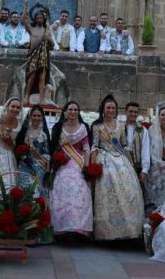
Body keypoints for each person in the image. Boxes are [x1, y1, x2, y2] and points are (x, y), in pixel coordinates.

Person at [90, 95, 144, 240]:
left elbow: (124, 145)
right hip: (104, 158)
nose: (111, 110)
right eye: (108, 107)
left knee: (128, 188)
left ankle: (127, 230)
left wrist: (131, 165)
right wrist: (92, 166)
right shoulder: (97, 126)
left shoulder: (120, 125)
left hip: (120, 158)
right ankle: (108, 231)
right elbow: (94, 146)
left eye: (113, 108)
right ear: (103, 109)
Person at [49, 101, 93, 239]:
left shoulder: (83, 128)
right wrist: (56, 159)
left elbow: (86, 148)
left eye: (75, 109)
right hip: (62, 164)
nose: (73, 112)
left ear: (78, 111)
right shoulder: (58, 127)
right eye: (70, 109)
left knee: (80, 188)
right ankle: (61, 228)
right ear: (66, 111)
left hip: (78, 162)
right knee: (61, 186)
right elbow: (55, 148)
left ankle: (79, 228)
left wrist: (86, 167)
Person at [22, 2, 55, 104]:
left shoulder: (47, 30)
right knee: (32, 76)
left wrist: (48, 39)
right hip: (33, 55)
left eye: (41, 18)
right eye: (38, 18)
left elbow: (52, 45)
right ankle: (27, 97)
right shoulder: (31, 29)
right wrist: (25, 8)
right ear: (35, 19)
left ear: (44, 19)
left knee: (42, 77)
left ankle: (41, 99)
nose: (40, 19)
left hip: (43, 56)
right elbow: (23, 20)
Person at [15, 104, 51, 188]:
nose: (36, 118)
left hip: (39, 167)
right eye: (34, 115)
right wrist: (24, 158)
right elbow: (18, 148)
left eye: (39, 116)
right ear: (30, 116)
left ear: (42, 117)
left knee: (36, 191)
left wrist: (42, 162)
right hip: (24, 166)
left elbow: (47, 152)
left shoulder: (44, 134)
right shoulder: (24, 132)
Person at [122, 102, 150, 185]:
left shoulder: (143, 130)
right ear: (126, 112)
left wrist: (144, 170)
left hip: (137, 167)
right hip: (121, 166)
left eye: (135, 112)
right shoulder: (119, 127)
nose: (133, 114)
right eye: (130, 111)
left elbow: (146, 150)